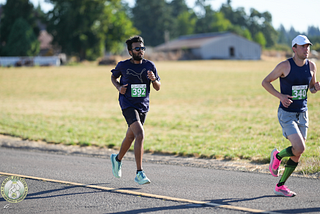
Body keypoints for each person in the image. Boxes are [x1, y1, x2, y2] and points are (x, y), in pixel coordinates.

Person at [262, 35, 319, 197]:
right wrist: (280, 96)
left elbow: (311, 88)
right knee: (300, 148)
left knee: (297, 152)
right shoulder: (285, 66)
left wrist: (316, 87)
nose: (306, 49)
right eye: (302, 46)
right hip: (287, 114)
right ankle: (278, 156)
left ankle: (280, 186)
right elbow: (265, 82)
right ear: (294, 48)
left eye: (307, 46)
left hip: (303, 113)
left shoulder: (312, 66)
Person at [110, 36, 161, 185]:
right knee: (140, 134)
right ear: (130, 51)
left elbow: (158, 87)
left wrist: (153, 80)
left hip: (142, 106)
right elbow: (113, 77)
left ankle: (117, 158)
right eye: (137, 48)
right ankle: (139, 173)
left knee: (131, 136)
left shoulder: (150, 66)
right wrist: (119, 87)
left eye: (142, 48)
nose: (140, 51)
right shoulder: (123, 65)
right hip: (127, 104)